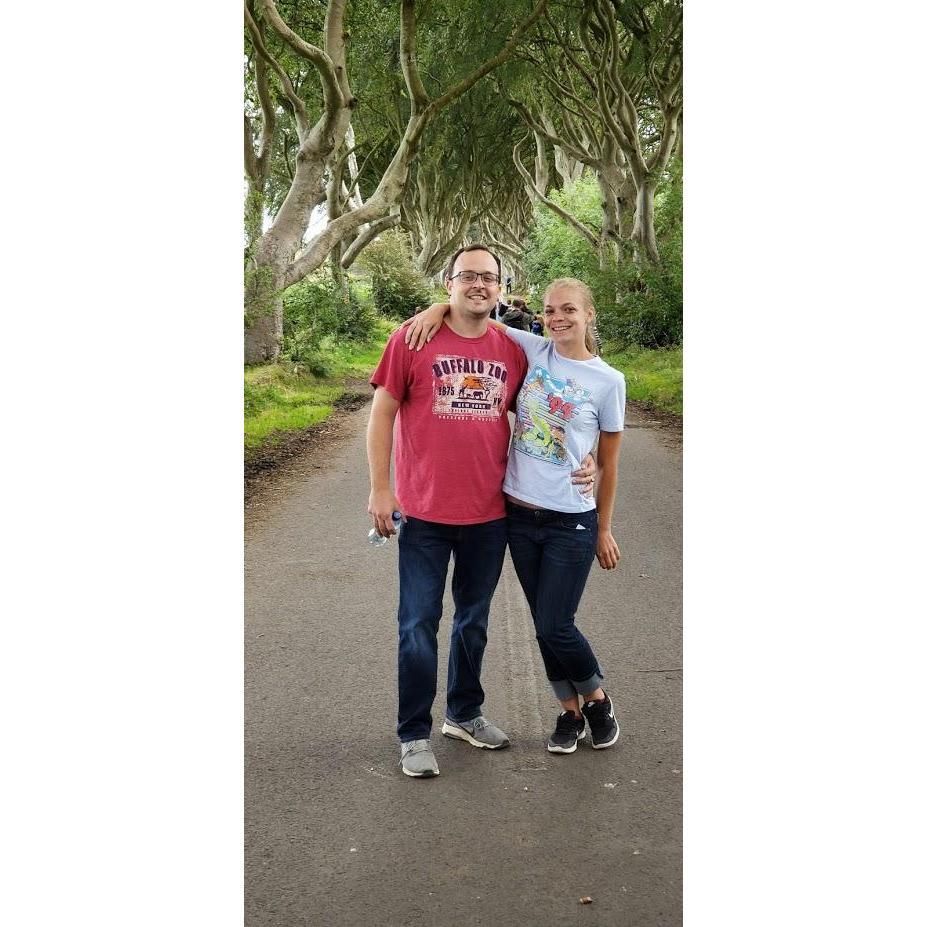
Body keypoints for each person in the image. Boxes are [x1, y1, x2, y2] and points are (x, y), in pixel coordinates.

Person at [367, 246, 597, 778]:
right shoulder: (411, 338)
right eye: (468, 276)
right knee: (418, 624)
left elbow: (556, 404)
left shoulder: (514, 350)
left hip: (489, 515)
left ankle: (463, 714)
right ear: (449, 282)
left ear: (500, 287)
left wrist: (588, 459)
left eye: (489, 278)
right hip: (423, 512)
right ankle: (413, 733)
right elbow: (382, 414)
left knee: (474, 622)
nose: (479, 285)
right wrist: (381, 489)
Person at [404, 277, 625, 756]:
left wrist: (604, 526)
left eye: (568, 309)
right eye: (549, 310)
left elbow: (609, 459)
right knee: (544, 618)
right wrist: (436, 308)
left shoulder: (609, 381)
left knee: (554, 623)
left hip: (572, 519)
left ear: (589, 315)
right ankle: (568, 713)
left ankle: (598, 701)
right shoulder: (532, 348)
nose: (557, 318)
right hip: (520, 514)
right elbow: (476, 309)